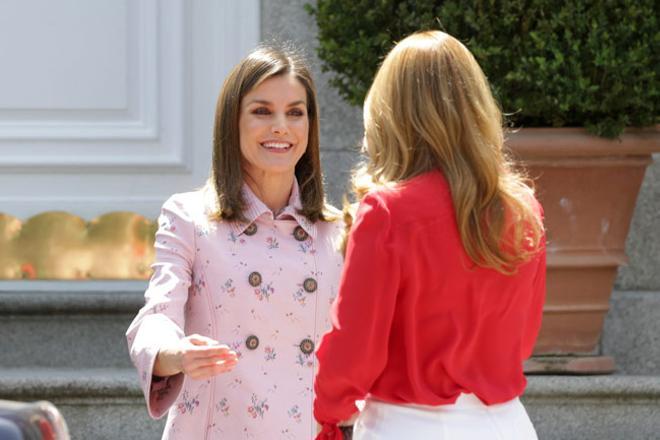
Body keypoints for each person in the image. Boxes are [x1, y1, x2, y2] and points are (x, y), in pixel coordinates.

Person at [313, 30, 546, 439]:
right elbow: (522, 338)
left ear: (391, 114)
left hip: (407, 424)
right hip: (504, 423)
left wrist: (330, 413)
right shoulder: (521, 208)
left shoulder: (387, 211)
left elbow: (355, 345)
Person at [126, 45, 344, 439]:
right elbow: (158, 313)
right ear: (232, 123)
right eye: (262, 111)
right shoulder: (189, 217)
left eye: (295, 112)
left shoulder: (338, 230)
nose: (281, 126)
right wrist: (176, 354)